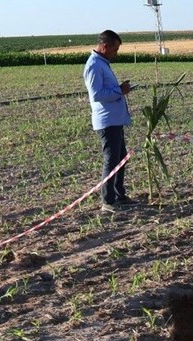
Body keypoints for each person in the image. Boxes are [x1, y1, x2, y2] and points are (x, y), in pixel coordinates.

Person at [84, 30, 139, 212]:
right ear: (105, 46)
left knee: (121, 158)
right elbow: (97, 94)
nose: (116, 53)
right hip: (107, 122)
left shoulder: (103, 63)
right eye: (114, 49)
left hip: (115, 120)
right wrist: (119, 91)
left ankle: (119, 195)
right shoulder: (94, 65)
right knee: (111, 160)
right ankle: (108, 201)